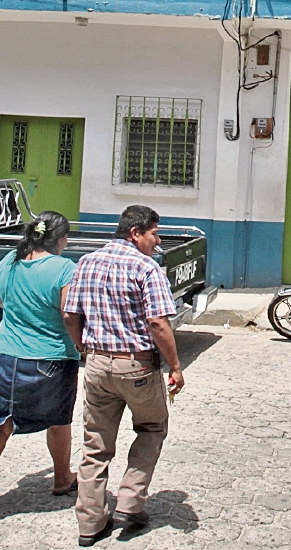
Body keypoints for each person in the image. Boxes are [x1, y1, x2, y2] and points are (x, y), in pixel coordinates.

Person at [63, 205, 183, 547]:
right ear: (135, 233)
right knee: (152, 427)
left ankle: (89, 522)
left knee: (95, 444)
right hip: (138, 366)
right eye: (153, 234)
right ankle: (130, 503)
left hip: (97, 365)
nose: (156, 241)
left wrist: (83, 348)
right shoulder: (146, 268)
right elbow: (158, 323)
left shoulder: (85, 263)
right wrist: (175, 366)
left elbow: (70, 314)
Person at [0, 211, 82, 529]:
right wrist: (81, 344)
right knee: (59, 418)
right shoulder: (64, 268)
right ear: (58, 240)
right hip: (52, 358)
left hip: (4, 356)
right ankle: (62, 478)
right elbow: (70, 313)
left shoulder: (9, 261)